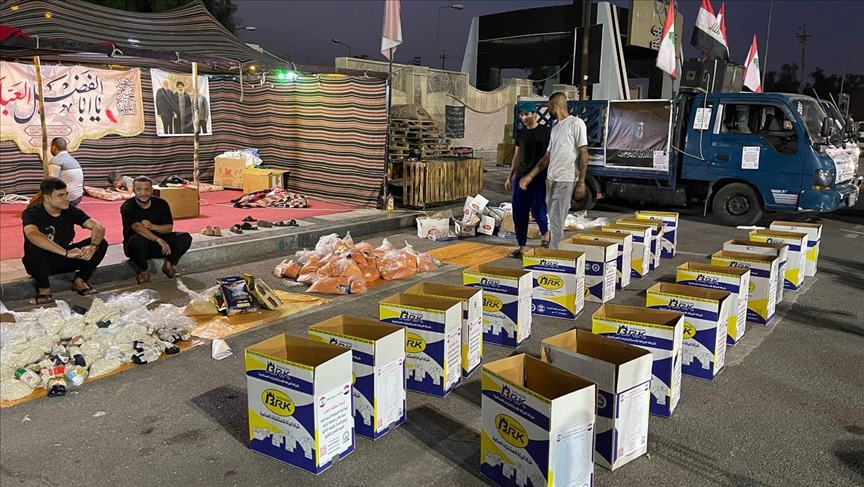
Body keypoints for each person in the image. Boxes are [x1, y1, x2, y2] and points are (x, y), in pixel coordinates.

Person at [519, 92, 588, 249]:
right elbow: (547, 157)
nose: (548, 110)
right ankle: (557, 248)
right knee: (553, 216)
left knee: (557, 217)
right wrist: (530, 176)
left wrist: (581, 182)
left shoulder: (576, 123)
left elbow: (584, 153)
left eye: (549, 106)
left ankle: (554, 251)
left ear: (555, 106)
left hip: (565, 178)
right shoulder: (556, 128)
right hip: (551, 179)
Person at [22, 178, 108, 304]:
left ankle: (80, 281)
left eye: (66, 194)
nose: (66, 198)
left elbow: (98, 227)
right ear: (47, 198)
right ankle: (44, 290)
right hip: (43, 262)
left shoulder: (70, 210)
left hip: (65, 257)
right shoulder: (33, 212)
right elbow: (32, 234)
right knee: (35, 248)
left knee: (101, 243)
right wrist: (65, 252)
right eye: (60, 195)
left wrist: (93, 246)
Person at [120, 176, 193, 284]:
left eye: (147, 189)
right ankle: (143, 271)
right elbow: (137, 227)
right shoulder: (128, 206)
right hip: (140, 247)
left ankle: (169, 265)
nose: (143, 193)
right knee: (137, 240)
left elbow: (168, 228)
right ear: (134, 190)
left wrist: (153, 227)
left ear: (152, 190)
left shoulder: (161, 203)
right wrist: (157, 239)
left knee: (184, 237)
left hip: (161, 246)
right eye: (139, 189)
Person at [505, 101, 551, 257]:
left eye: (527, 114)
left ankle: (545, 235)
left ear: (534, 114)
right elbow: (517, 156)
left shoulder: (546, 132)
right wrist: (510, 176)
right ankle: (522, 246)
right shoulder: (520, 133)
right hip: (520, 175)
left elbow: (548, 156)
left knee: (538, 209)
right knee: (519, 211)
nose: (524, 118)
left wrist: (533, 175)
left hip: (538, 177)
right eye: (522, 115)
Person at [48, 138, 85, 206]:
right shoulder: (73, 160)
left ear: (54, 147)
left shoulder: (56, 160)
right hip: (78, 198)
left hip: (67, 199)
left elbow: (50, 183)